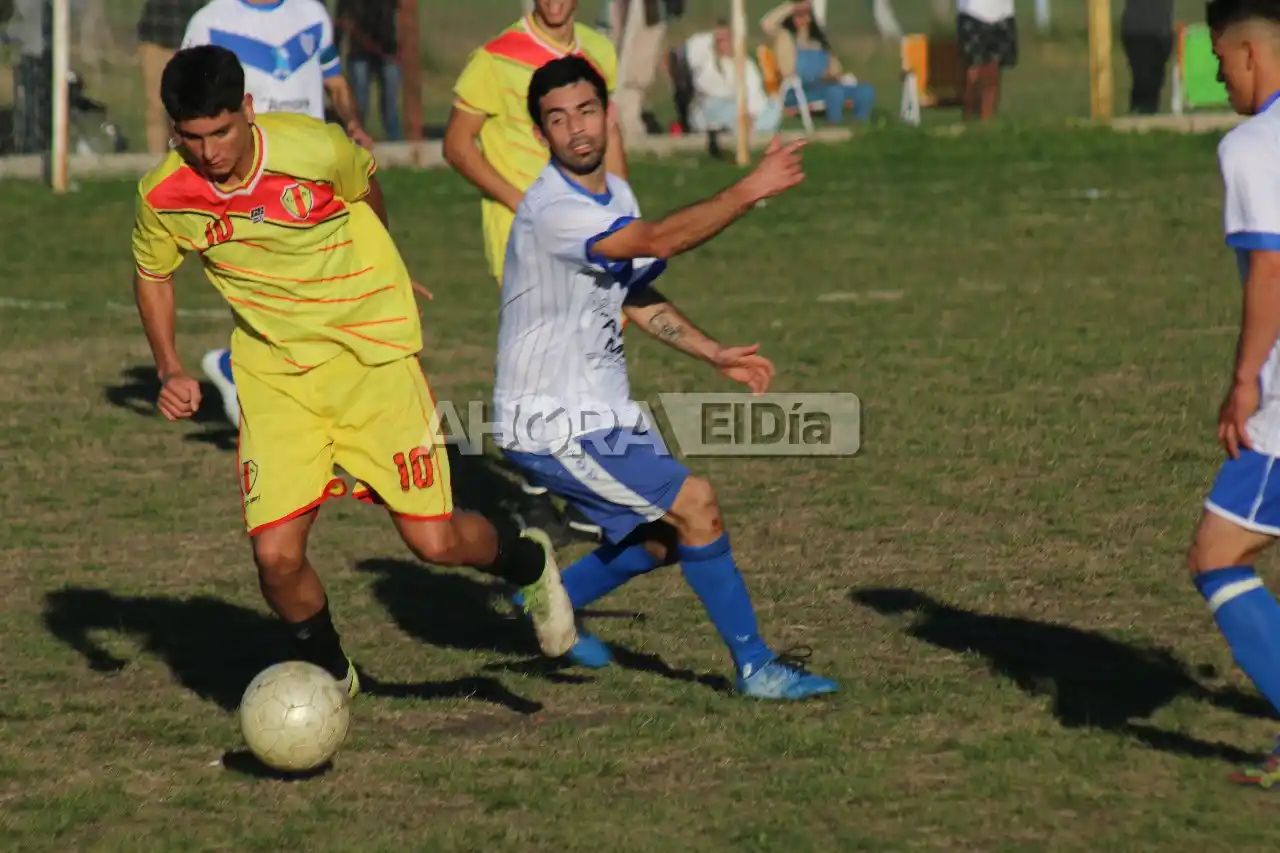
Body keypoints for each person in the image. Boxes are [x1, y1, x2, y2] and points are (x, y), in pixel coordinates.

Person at [129, 45, 577, 698]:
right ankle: (333, 675)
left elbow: (364, 189)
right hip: (278, 380)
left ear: (247, 109)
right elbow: (153, 273)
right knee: (275, 558)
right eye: (191, 138)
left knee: (435, 542)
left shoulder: (313, 148)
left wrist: (384, 267)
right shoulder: (165, 195)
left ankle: (529, 562)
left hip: (373, 363)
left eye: (220, 132)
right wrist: (169, 367)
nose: (209, 152)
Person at [494, 54, 838, 700]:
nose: (575, 128)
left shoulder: (613, 197)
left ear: (608, 114)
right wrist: (748, 190)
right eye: (557, 119)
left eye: (586, 111)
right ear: (541, 133)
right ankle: (756, 668)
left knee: (661, 539)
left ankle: (544, 598)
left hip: (601, 414)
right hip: (550, 422)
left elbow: (633, 292)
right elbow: (659, 240)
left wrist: (713, 353)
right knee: (696, 504)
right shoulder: (555, 210)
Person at [443, 0, 624, 543]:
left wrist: (623, 217)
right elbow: (456, 145)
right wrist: (521, 203)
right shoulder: (493, 60)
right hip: (521, 237)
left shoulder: (599, 50)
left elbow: (611, 138)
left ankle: (562, 494)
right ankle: (542, 496)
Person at [180, 0, 374, 428]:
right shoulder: (210, 22)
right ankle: (253, 378)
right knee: (297, 290)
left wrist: (353, 125)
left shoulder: (311, 14)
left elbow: (335, 82)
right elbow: (187, 103)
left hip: (312, 172)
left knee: (319, 288)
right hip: (253, 180)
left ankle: (246, 374)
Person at [1189, 0, 1280, 787]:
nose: (1220, 80)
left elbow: (1271, 269)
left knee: (1218, 554)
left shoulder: (1253, 146)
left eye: (1220, 63)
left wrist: (1244, 382)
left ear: (1250, 53)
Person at [759, 0, 875, 125]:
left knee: (865, 90)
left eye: (806, 15)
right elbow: (766, 24)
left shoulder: (817, 42)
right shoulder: (784, 37)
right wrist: (792, 7)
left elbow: (835, 68)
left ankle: (861, 126)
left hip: (823, 85)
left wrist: (832, 74)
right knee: (835, 92)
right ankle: (834, 125)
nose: (803, 20)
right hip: (796, 90)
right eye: (798, 15)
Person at [135, 0, 208, 156]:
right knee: (156, 108)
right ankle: (157, 163)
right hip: (157, 31)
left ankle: (192, 162)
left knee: (195, 109)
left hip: (198, 29)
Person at [685, 21, 782, 137]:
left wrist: (751, 113)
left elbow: (754, 93)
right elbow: (693, 46)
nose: (722, 44)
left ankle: (752, 128)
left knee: (773, 106)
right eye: (719, 40)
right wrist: (715, 35)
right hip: (715, 108)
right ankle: (745, 129)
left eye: (726, 39)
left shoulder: (746, 64)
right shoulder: (707, 62)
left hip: (745, 111)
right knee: (731, 108)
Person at [334, 0, 401, 141]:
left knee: (390, 107)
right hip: (360, 50)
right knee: (359, 105)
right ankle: (358, 140)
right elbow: (342, 17)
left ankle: (395, 143)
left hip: (387, 49)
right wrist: (336, 49)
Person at [954, 0, 1017, 121]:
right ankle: (970, 119)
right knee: (974, 73)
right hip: (973, 13)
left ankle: (986, 121)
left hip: (1003, 13)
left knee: (993, 74)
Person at [1121, 0, 1174, 115]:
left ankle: (1147, 113)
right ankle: (1140, 112)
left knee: (1154, 79)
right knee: (1143, 77)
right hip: (1138, 31)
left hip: (1160, 31)